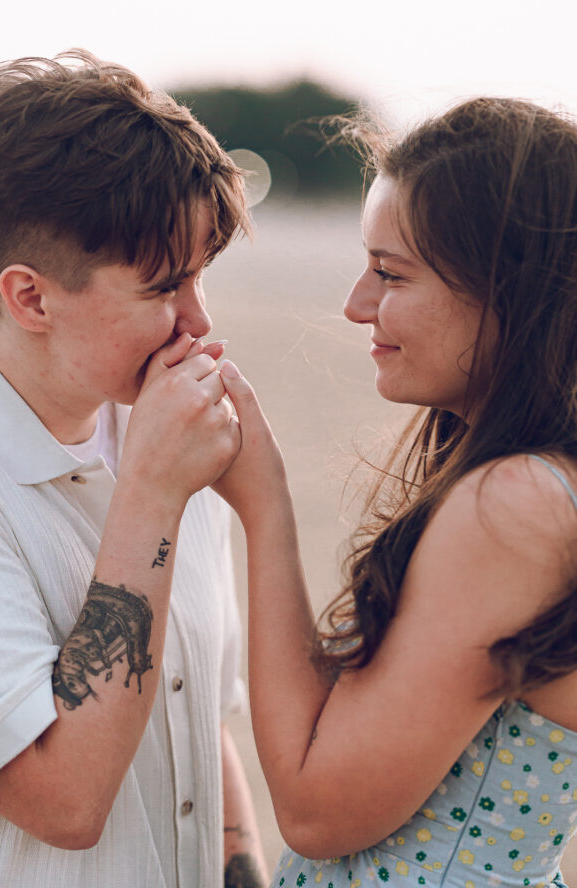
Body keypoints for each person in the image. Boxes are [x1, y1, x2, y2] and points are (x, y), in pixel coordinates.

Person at [0, 51, 268, 888]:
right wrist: (152, 495)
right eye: (165, 286)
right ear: (29, 297)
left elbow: (198, 724)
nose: (198, 323)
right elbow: (64, 801)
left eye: (201, 277)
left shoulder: (161, 430)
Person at [214, 97, 577, 888]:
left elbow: (317, 813)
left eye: (389, 273)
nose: (356, 304)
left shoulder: (514, 506)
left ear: (509, 289)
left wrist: (261, 503)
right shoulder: (544, 485)